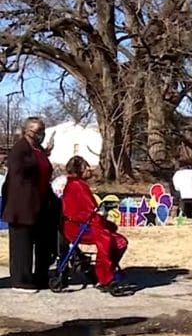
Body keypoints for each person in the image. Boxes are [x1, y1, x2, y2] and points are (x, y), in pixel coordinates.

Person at [0, 117, 58, 293]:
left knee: (43, 241)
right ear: (28, 131)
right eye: (38, 130)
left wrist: (45, 152)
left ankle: (40, 276)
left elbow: (42, 166)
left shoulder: (37, 149)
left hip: (40, 203)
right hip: (22, 204)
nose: (41, 133)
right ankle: (20, 280)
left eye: (43, 130)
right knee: (22, 244)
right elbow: (17, 173)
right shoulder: (20, 149)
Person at [61, 155, 129, 293]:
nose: (89, 170)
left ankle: (104, 271)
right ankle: (104, 278)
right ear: (79, 170)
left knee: (120, 241)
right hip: (79, 227)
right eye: (86, 168)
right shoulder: (76, 186)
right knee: (107, 240)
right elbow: (87, 212)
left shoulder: (78, 185)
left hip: (85, 224)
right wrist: (103, 222)